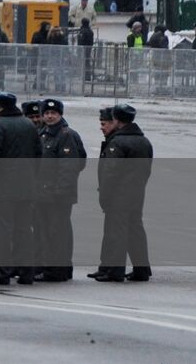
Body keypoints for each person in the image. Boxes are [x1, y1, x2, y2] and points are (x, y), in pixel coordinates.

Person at [0, 91, 42, 285]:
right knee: (25, 230)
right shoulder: (28, 124)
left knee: (3, 230)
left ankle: (2, 273)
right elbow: (38, 154)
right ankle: (26, 272)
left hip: (3, 188)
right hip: (27, 186)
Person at [92, 103, 153, 283]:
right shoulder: (144, 141)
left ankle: (115, 271)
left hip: (118, 196)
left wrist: (104, 196)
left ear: (117, 120)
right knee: (136, 232)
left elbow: (110, 173)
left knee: (116, 232)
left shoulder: (117, 142)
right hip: (137, 193)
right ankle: (142, 270)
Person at [36, 98, 86, 282]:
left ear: (60, 114)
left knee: (58, 233)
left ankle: (58, 271)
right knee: (47, 232)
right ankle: (51, 268)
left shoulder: (66, 135)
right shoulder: (44, 135)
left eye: (53, 113)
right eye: (47, 113)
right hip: (44, 193)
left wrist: (61, 190)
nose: (49, 116)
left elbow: (71, 166)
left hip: (58, 196)